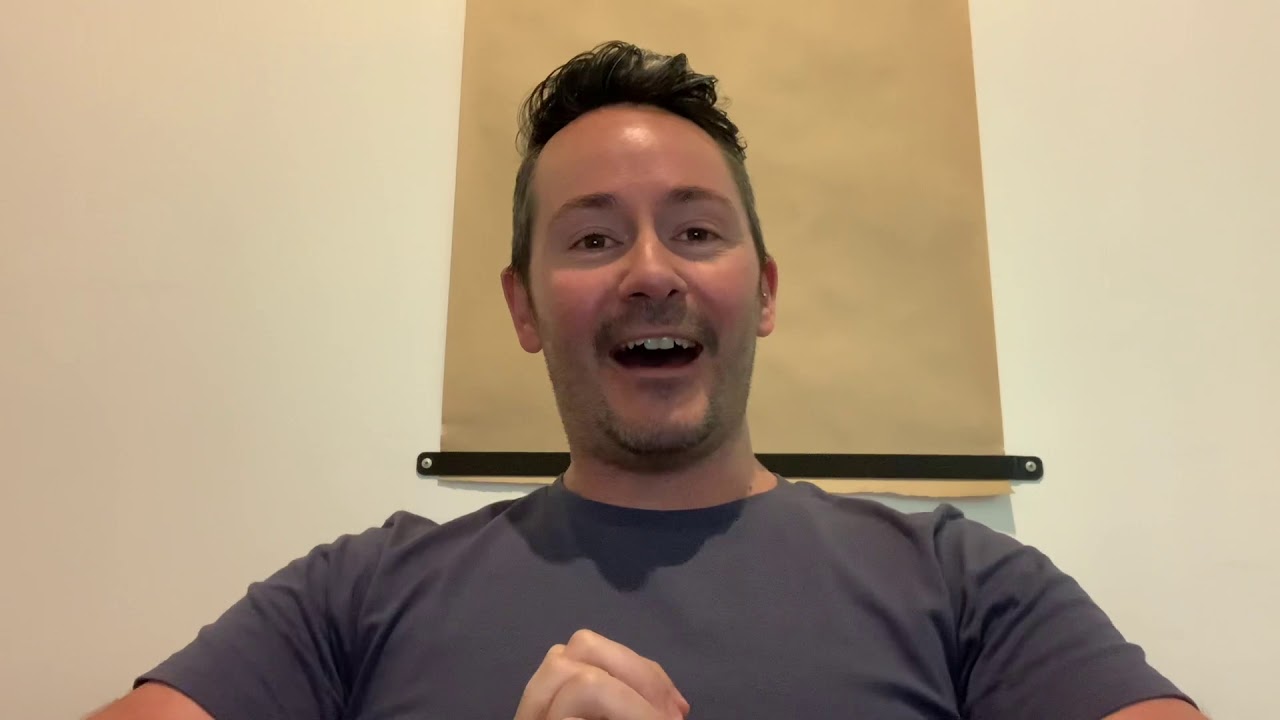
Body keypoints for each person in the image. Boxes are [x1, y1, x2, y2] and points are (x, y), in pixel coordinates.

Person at [92, 41, 1203, 720]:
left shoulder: (965, 586)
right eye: (590, 239)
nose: (650, 272)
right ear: (523, 308)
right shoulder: (354, 596)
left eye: (696, 230)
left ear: (762, 291)